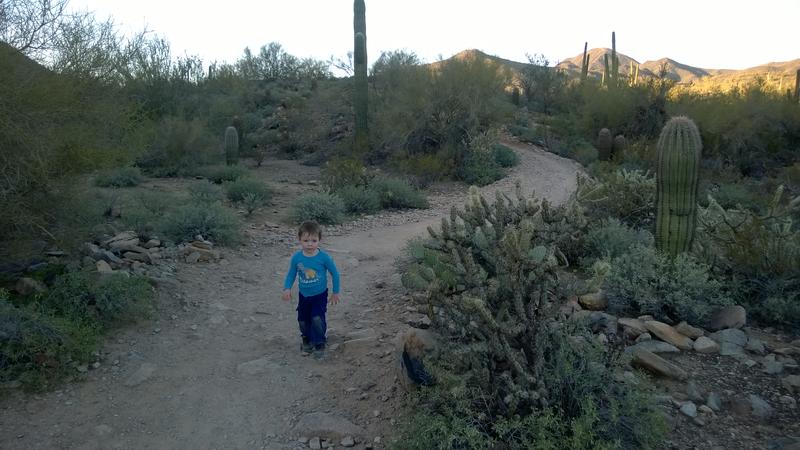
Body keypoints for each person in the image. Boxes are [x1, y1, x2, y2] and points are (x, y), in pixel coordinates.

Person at [282, 221, 341, 357]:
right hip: (304, 295)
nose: (310, 244)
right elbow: (291, 274)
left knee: (317, 318)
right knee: (302, 319)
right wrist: (287, 288)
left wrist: (335, 292)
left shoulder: (324, 257)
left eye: (314, 240)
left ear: (319, 240)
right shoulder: (297, 258)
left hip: (319, 295)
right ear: (299, 240)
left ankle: (319, 342)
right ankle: (306, 339)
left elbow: (335, 273)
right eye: (306, 240)